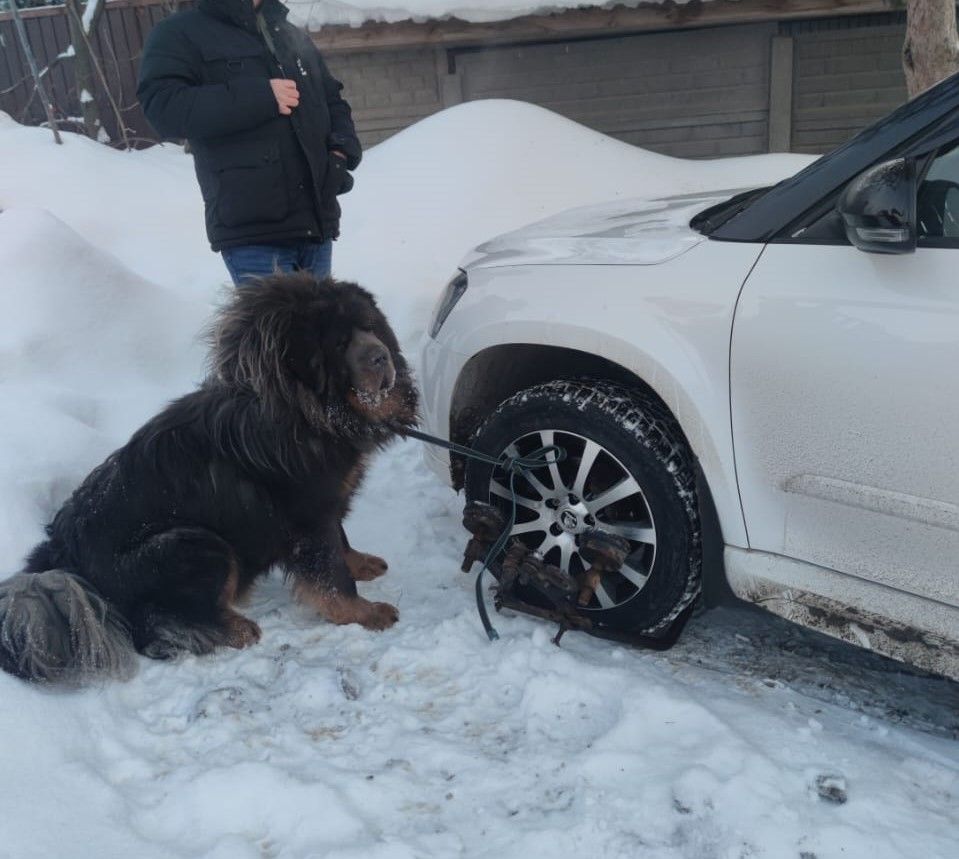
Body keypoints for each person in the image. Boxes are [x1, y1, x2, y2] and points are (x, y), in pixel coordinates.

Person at [137, 0, 361, 285]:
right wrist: (261, 97)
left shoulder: (286, 32)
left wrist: (342, 152)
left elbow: (332, 100)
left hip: (316, 224)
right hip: (255, 233)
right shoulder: (180, 33)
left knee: (321, 330)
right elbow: (163, 108)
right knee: (277, 330)